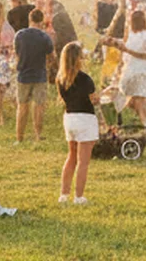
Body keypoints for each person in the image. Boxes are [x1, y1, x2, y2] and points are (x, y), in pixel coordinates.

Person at [57, 42, 98, 203]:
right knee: (83, 162)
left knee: (71, 157)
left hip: (69, 118)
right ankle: (79, 196)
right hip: (85, 119)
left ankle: (64, 194)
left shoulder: (60, 79)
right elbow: (94, 100)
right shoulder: (85, 79)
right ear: (78, 58)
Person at [106, 10, 146, 129]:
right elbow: (127, 48)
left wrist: (127, 51)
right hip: (138, 70)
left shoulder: (144, 35)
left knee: (127, 95)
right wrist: (116, 43)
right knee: (141, 99)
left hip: (136, 69)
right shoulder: (134, 34)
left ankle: (143, 123)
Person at [14, 9, 55, 143]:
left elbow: (17, 54)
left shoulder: (19, 35)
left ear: (30, 19)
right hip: (39, 75)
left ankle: (19, 137)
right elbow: (51, 56)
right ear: (41, 20)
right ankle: (37, 135)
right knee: (39, 106)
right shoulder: (44, 37)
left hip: (23, 75)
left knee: (22, 106)